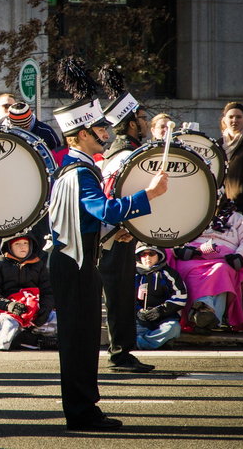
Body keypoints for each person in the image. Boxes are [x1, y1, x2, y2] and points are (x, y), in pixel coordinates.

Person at [48, 57, 168, 430]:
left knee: (83, 338)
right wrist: (148, 194)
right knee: (79, 340)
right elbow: (103, 208)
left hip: (76, 261)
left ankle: (84, 408)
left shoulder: (77, 166)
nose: (105, 130)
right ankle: (82, 413)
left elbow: (87, 220)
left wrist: (111, 232)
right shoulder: (80, 171)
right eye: (99, 126)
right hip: (75, 266)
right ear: (82, 133)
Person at [99, 101, 155, 373]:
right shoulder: (123, 156)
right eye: (143, 118)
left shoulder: (127, 152)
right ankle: (119, 355)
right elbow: (111, 194)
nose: (146, 122)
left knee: (121, 295)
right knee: (118, 296)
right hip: (115, 236)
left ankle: (123, 353)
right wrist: (123, 227)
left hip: (120, 233)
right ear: (132, 123)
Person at [171, 194, 243, 333]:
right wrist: (181, 249)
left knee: (220, 270)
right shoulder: (190, 215)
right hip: (193, 258)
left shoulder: (237, 218)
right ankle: (207, 317)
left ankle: (205, 314)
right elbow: (172, 235)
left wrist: (240, 255)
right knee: (185, 269)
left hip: (224, 260)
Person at [0, 233, 56, 350]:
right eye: (17, 244)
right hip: (6, 313)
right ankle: (30, 340)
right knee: (6, 326)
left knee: (59, 320)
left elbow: (48, 292)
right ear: (9, 246)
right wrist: (9, 305)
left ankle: (31, 339)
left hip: (34, 313)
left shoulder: (39, 264)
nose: (23, 247)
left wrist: (45, 310)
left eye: (25, 243)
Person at [134, 243, 187, 349]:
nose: (147, 257)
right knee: (128, 328)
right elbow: (125, 298)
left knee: (173, 328)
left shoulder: (170, 274)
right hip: (140, 320)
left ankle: (140, 344)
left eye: (151, 254)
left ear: (159, 255)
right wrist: (138, 311)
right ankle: (158, 342)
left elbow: (181, 297)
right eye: (143, 254)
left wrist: (160, 311)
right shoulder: (133, 274)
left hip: (165, 318)